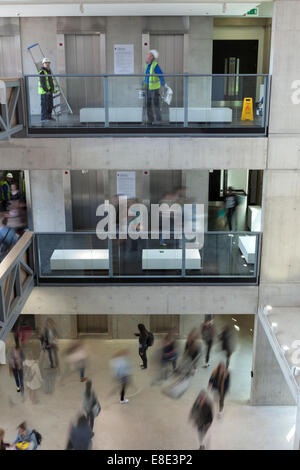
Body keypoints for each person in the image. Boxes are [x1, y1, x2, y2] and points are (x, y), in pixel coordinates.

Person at [143, 49, 165, 125]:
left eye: (148, 54)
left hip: (154, 88)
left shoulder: (155, 65)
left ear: (152, 56)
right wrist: (143, 85)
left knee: (156, 104)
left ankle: (158, 120)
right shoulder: (146, 65)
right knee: (147, 104)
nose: (147, 55)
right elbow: (145, 76)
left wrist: (163, 84)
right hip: (147, 87)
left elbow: (161, 75)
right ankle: (150, 120)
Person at [38, 58, 56, 122]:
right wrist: (46, 91)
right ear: (43, 64)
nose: (47, 64)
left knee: (50, 105)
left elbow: (50, 81)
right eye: (46, 63)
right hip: (44, 92)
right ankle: (44, 118)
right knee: (44, 105)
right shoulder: (42, 72)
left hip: (49, 91)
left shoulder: (49, 71)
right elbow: (43, 83)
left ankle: (49, 117)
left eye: (48, 62)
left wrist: (52, 90)